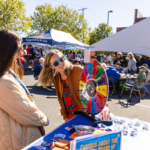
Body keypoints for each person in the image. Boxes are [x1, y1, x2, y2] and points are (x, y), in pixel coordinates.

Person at [0, 30, 49, 149]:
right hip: (18, 139)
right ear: (7, 51)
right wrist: (44, 120)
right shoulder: (4, 81)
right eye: (18, 49)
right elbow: (27, 113)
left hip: (20, 135)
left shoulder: (8, 73)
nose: (22, 52)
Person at [39, 49, 111, 122]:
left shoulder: (78, 70)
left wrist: (104, 106)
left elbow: (96, 87)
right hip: (71, 118)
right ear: (51, 67)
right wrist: (65, 117)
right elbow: (61, 100)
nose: (61, 63)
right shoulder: (56, 79)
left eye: (61, 59)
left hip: (86, 116)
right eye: (56, 63)